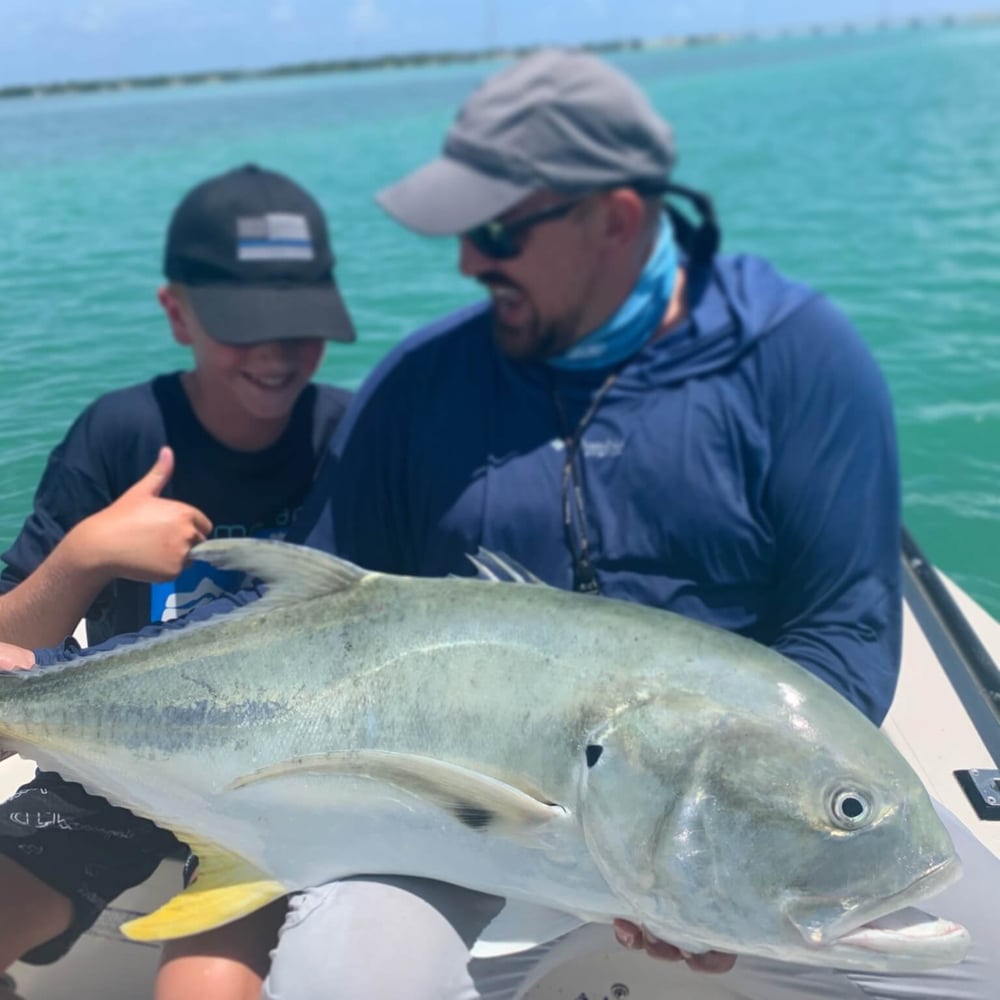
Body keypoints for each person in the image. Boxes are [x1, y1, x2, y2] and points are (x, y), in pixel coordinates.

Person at [14, 49, 1000, 1000]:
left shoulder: (799, 364)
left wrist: (701, 859)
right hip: (448, 828)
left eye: (496, 233)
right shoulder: (419, 385)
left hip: (693, 829)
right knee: (345, 976)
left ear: (615, 218)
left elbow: (843, 627)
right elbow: (307, 604)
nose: (465, 258)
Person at [0, 163, 356, 999]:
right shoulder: (122, 433)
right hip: (118, 759)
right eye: (243, 323)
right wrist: (86, 554)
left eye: (299, 322)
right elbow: (13, 638)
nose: (274, 352)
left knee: (205, 987)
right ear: (177, 311)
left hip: (288, 785)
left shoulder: (354, 442)